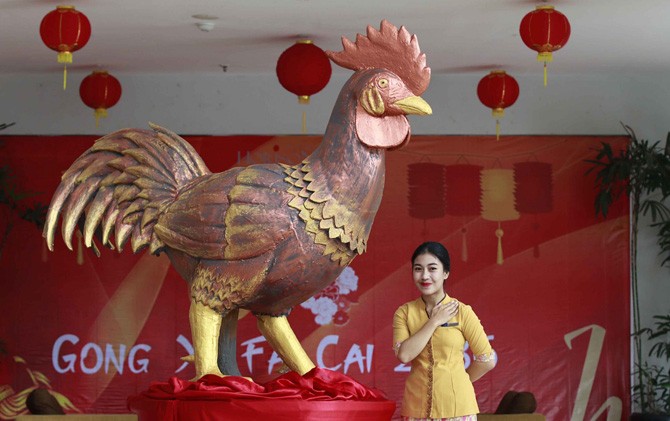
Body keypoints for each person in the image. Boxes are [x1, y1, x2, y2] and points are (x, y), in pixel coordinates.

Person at [393, 241, 496, 420]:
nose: (425, 276)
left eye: (432, 269)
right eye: (418, 269)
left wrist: (459, 380)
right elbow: (404, 355)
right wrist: (434, 322)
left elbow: (487, 360)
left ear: (445, 273)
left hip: (457, 408)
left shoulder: (462, 312)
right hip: (416, 408)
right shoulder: (404, 313)